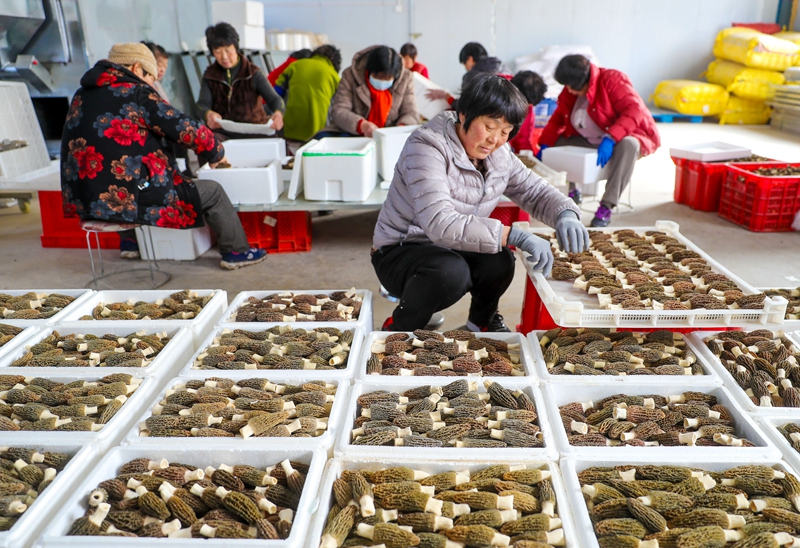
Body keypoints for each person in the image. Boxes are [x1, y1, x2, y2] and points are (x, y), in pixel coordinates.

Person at [372, 73, 588, 332]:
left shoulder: (499, 154)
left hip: (451, 245)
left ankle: (480, 326)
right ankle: (400, 327)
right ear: (463, 114)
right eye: (489, 127)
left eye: (505, 132)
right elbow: (440, 224)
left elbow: (534, 190)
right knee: (450, 273)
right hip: (402, 248)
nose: (495, 140)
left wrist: (565, 213)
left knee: (500, 260)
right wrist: (513, 234)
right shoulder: (426, 147)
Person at [61, 43, 267, 270]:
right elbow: (183, 127)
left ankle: (130, 242)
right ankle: (237, 251)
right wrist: (215, 152)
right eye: (150, 76)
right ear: (137, 68)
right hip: (131, 199)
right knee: (213, 192)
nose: (151, 83)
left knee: (121, 173)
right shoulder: (137, 93)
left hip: (86, 199)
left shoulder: (81, 95)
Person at [537, 54, 660, 227]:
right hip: (590, 139)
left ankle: (606, 206)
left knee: (629, 145)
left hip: (623, 136)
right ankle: (573, 192)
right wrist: (545, 144)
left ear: (583, 81)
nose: (569, 90)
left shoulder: (612, 80)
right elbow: (558, 119)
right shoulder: (570, 91)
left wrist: (611, 137)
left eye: (572, 87)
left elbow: (634, 111)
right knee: (558, 144)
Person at [198, 23, 285, 140]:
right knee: (207, 142)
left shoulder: (252, 73)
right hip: (224, 132)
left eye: (228, 50)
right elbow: (202, 104)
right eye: (218, 52)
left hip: (255, 130)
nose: (224, 57)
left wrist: (278, 113)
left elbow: (274, 99)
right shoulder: (210, 75)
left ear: (236, 47)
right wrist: (208, 114)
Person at [321, 45, 419, 138]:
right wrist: (362, 125)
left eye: (388, 78)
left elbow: (411, 113)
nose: (382, 81)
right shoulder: (350, 75)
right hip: (353, 133)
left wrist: (400, 129)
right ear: (369, 70)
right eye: (378, 76)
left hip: (389, 136)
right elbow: (339, 110)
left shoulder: (405, 79)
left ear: (395, 76)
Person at [274, 45, 342, 143]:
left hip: (287, 132)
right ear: (334, 60)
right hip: (318, 135)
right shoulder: (334, 76)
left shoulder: (294, 66)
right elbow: (339, 109)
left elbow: (276, 94)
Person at [426, 41, 512, 107]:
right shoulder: (503, 66)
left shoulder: (472, 76)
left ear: (470, 59)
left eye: (464, 64)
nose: (466, 69)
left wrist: (446, 96)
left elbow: (464, 106)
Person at [509, 70, 547, 153]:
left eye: (528, 105)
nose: (524, 108)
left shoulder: (528, 111)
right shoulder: (492, 96)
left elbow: (524, 141)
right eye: (522, 104)